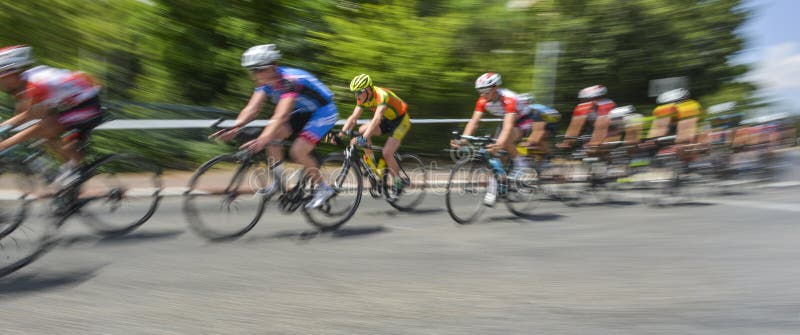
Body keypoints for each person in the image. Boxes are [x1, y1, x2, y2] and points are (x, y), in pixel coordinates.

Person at [211, 44, 339, 209]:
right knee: (273, 138)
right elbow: (252, 108)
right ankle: (279, 182)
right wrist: (235, 127)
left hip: (324, 111)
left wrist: (261, 140)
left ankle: (323, 189)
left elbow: (280, 116)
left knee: (297, 151)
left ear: (272, 67)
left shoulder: (290, 81)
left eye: (258, 70)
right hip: (304, 111)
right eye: (252, 71)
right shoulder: (265, 82)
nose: (255, 75)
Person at [0, 45, 104, 184]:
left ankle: (76, 168)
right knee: (44, 136)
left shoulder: (36, 83)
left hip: (88, 103)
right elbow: (21, 115)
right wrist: (3, 128)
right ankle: (72, 168)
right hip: (71, 103)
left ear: (12, 72)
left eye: (1, 76)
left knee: (46, 127)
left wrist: (5, 144)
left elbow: (32, 116)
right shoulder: (23, 83)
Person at [452, 72, 534, 206]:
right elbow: (474, 122)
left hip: (523, 120)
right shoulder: (482, 100)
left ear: (495, 88)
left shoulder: (508, 98)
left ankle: (521, 164)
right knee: (495, 156)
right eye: (479, 91)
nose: (482, 94)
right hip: (508, 119)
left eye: (485, 91)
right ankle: (495, 187)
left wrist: (499, 144)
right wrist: (463, 140)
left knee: (503, 142)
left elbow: (508, 127)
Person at [340, 74, 411, 200]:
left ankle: (398, 183)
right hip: (388, 120)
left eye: (359, 92)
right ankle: (374, 168)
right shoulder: (362, 98)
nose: (357, 96)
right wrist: (341, 133)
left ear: (368, 89)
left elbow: (377, 118)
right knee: (362, 129)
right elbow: (353, 117)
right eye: (355, 93)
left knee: (387, 152)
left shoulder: (381, 95)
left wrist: (364, 137)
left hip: (401, 121)